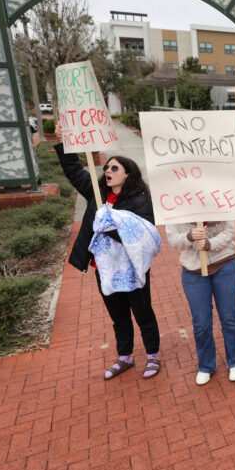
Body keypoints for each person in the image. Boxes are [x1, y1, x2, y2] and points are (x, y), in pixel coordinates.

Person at [55, 144, 162, 380]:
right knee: (119, 315)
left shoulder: (140, 199)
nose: (108, 171)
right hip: (104, 269)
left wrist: (111, 226)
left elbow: (142, 235)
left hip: (132, 269)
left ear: (128, 174)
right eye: (106, 168)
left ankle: (153, 355)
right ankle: (125, 357)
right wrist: (64, 144)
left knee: (143, 313)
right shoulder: (96, 191)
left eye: (115, 168)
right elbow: (73, 169)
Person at [165, 221, 235, 386]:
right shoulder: (176, 207)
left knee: (229, 317)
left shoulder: (219, 197)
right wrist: (189, 236)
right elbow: (173, 240)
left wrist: (210, 244)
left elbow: (230, 230)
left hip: (224, 263)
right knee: (201, 322)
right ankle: (206, 365)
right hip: (193, 271)